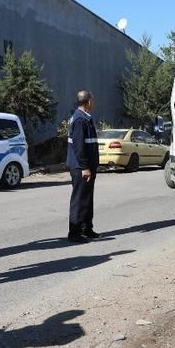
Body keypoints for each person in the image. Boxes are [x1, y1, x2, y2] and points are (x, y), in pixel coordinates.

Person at [66, 90, 100, 243]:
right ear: (88, 102)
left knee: (87, 198)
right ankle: (74, 232)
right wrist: (85, 167)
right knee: (79, 199)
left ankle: (87, 228)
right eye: (92, 100)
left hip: (87, 167)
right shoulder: (79, 120)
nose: (94, 102)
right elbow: (79, 147)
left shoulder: (85, 118)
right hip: (81, 168)